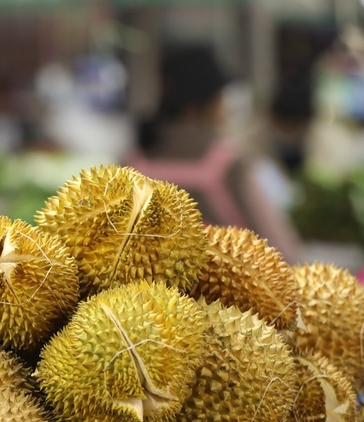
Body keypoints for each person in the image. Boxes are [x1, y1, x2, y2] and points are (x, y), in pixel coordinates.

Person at [125, 45, 301, 262]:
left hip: (145, 290)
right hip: (222, 290)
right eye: (221, 99)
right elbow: (277, 244)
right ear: (203, 102)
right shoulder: (226, 161)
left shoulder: (134, 159)